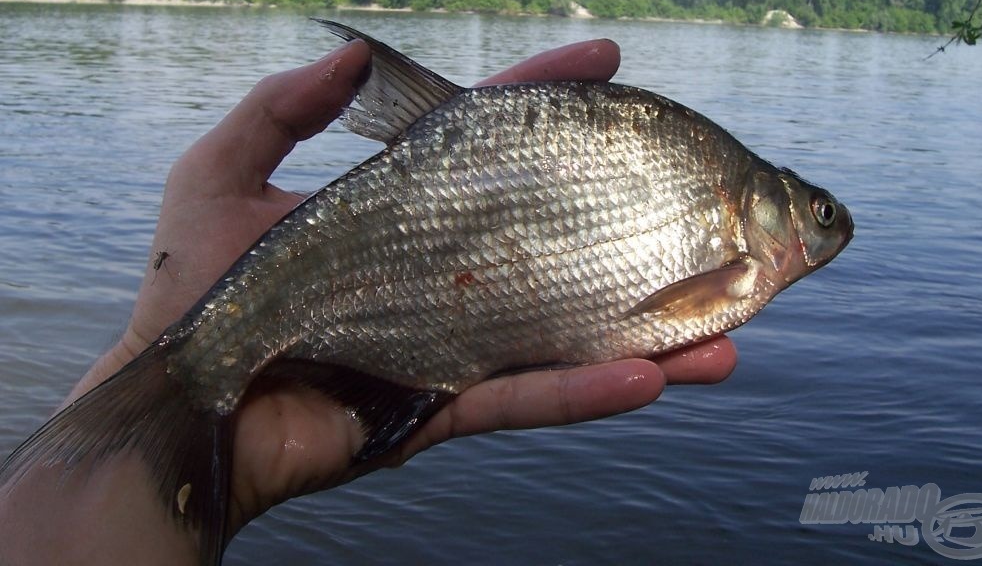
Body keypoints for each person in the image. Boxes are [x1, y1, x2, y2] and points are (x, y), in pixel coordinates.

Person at [0, 36, 736, 564]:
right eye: (817, 215)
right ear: (752, 207)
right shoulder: (726, 214)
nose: (823, 230)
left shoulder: (712, 180)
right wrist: (164, 351)